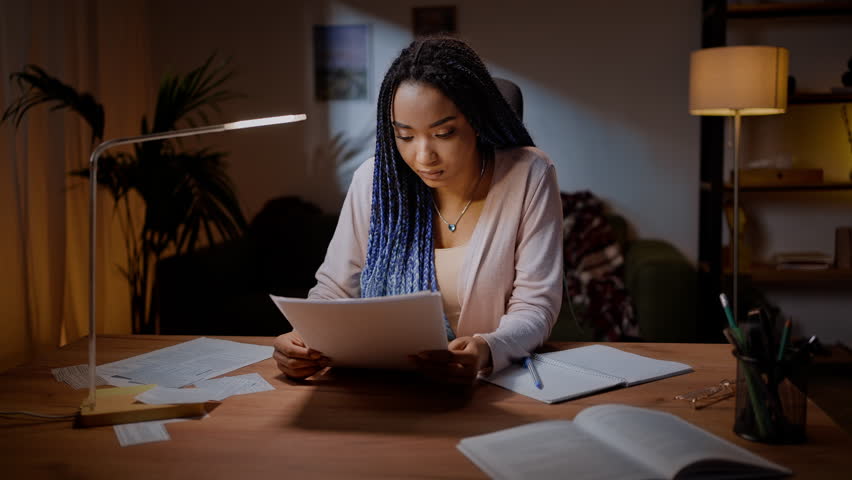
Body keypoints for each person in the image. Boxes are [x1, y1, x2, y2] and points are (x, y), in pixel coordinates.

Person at [273, 36, 563, 384]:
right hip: (383, 387)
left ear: (477, 120)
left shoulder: (528, 174)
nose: (423, 156)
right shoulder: (374, 181)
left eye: (443, 133)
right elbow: (335, 291)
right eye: (405, 136)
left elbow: (536, 305)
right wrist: (301, 339)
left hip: (490, 387)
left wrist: (488, 348)